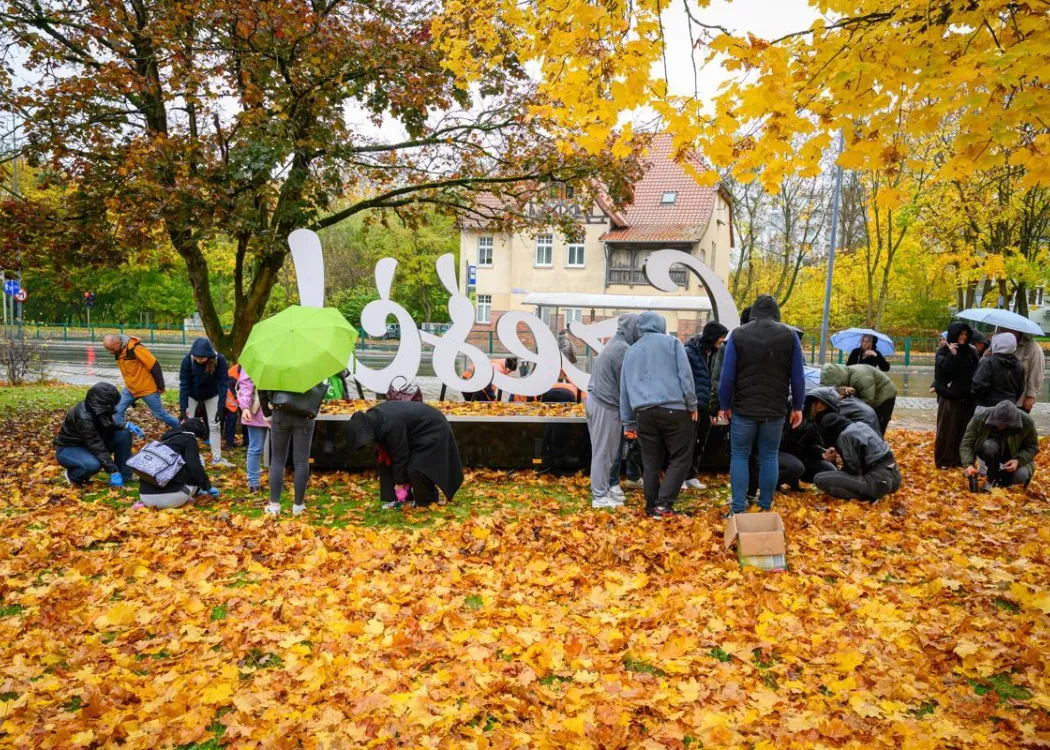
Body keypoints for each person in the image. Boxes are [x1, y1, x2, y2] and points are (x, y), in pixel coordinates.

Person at [718, 295, 806, 515]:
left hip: (743, 408)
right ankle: (765, 506)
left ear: (754, 313)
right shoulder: (789, 335)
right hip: (774, 410)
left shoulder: (738, 335)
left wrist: (724, 404)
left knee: (740, 455)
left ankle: (738, 508)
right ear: (776, 313)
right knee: (769, 456)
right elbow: (798, 376)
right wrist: (798, 406)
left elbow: (726, 375)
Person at [619, 312, 698, 518]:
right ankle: (663, 506)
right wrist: (692, 403)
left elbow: (624, 389)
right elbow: (685, 375)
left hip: (644, 413)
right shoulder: (672, 343)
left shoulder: (631, 351)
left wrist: (628, 422)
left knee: (650, 462)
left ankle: (651, 506)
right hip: (675, 410)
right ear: (661, 325)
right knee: (680, 457)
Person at [348, 401, 464, 507]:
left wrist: (399, 483)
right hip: (416, 433)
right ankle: (398, 499)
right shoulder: (373, 419)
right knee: (384, 459)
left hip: (434, 430)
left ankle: (427, 500)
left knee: (416, 467)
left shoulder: (390, 424)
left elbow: (401, 455)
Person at [585, 314, 640, 508]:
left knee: (606, 453)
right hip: (605, 404)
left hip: (601, 402)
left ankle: (605, 490)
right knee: (603, 453)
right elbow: (626, 385)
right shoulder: (622, 349)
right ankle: (599, 497)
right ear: (632, 329)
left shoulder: (617, 344)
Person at [260, 382, 328, 516]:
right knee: (302, 461)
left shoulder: (276, 363)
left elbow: (262, 388)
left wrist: (268, 412)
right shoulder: (311, 362)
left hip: (280, 412)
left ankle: (274, 505)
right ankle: (298, 506)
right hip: (305, 414)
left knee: (277, 460)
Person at [55, 382, 138, 488]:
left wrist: (125, 425)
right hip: (70, 448)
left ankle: (125, 476)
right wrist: (113, 471)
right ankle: (73, 476)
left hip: (90, 444)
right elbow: (96, 445)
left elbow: (106, 425)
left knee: (124, 435)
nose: (113, 408)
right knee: (93, 465)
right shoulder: (83, 417)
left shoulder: (99, 409)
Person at [813, 414, 901, 502]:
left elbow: (853, 469)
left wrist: (839, 476)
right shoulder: (860, 425)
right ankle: (872, 490)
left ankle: (866, 497)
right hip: (894, 476)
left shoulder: (844, 436)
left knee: (819, 479)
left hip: (878, 481)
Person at [684, 320, 728, 491]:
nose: (722, 340)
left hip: (706, 406)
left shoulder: (715, 353)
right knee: (687, 443)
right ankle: (681, 476)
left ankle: (691, 475)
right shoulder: (690, 352)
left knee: (700, 442)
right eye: (720, 337)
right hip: (693, 405)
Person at [103, 334, 181, 429]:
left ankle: (182, 427)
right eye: (108, 349)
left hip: (147, 388)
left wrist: (161, 386)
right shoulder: (119, 352)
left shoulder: (136, 349)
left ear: (119, 343)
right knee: (117, 409)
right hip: (131, 389)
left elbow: (154, 366)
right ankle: (121, 433)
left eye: (111, 349)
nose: (110, 352)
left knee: (159, 414)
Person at [137, 418, 219, 509]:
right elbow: (195, 467)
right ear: (195, 435)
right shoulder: (189, 439)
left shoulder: (163, 441)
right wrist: (207, 486)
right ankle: (197, 491)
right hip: (172, 499)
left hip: (145, 497)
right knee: (199, 459)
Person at [960, 400, 1039, 490]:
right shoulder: (981, 416)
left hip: (1015, 455)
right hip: (990, 451)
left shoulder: (1027, 422)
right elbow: (967, 443)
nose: (1000, 427)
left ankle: (1003, 482)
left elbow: (1033, 447)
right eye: (997, 423)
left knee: (1021, 475)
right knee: (989, 445)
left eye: (1005, 425)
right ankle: (991, 479)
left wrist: (1018, 460)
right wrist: (968, 465)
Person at [933, 322, 980, 468]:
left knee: (963, 430)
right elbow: (942, 373)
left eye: (966, 335)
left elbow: (976, 371)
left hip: (967, 397)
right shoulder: (944, 351)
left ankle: (960, 460)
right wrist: (952, 356)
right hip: (950, 397)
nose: (963, 337)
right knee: (947, 430)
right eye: (961, 334)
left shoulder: (971, 351)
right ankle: (944, 460)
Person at [178, 338, 230, 466]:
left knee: (215, 425)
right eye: (196, 357)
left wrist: (221, 406)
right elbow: (184, 384)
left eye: (202, 358)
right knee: (186, 426)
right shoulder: (188, 360)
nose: (199, 360)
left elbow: (224, 383)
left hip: (212, 395)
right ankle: (186, 458)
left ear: (209, 355)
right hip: (192, 395)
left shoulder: (220, 360)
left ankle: (217, 459)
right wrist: (183, 408)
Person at [819, 363, 897, 435]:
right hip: (873, 396)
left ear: (839, 379)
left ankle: (878, 445)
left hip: (885, 396)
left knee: (878, 427)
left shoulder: (860, 377)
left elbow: (868, 399)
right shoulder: (847, 375)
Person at [237, 368, 271, 494]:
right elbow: (245, 385)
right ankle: (254, 484)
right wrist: (245, 407)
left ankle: (275, 481)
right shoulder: (254, 360)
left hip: (279, 409)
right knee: (256, 448)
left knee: (279, 450)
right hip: (257, 410)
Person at [972, 333, 1025, 408]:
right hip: (1010, 406)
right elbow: (1021, 388)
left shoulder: (988, 362)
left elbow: (978, 385)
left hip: (989, 406)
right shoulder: (1019, 365)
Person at [806, 386, 881, 434]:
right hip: (873, 429)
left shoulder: (842, 404)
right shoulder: (852, 400)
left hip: (866, 430)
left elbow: (832, 422)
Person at [1010, 331, 1045, 413]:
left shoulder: (1034, 348)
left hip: (1020, 401)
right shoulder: (1000, 344)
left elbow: (1036, 372)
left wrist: (1030, 396)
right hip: (1000, 398)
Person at [224, 362, 242, 450]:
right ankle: (229, 444)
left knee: (245, 418)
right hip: (231, 396)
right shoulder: (233, 372)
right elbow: (231, 389)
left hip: (241, 394)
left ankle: (247, 441)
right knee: (231, 419)